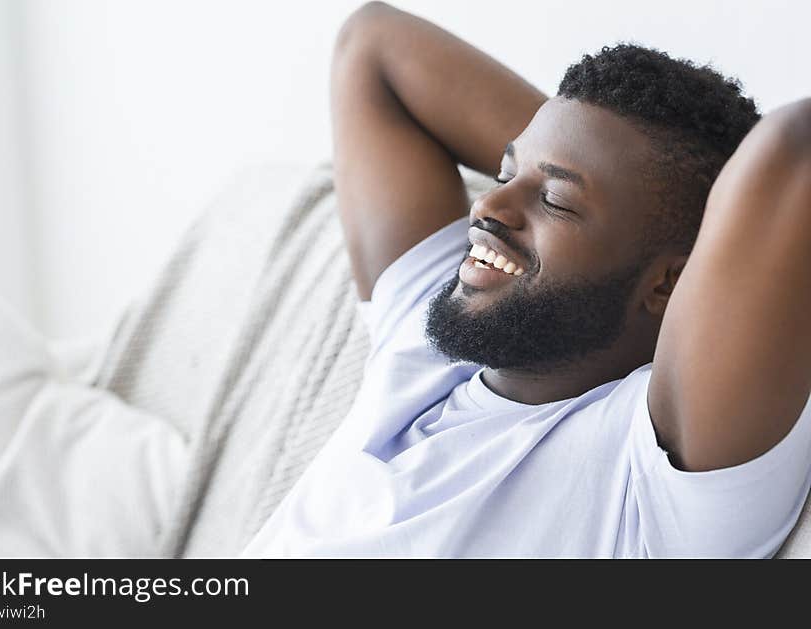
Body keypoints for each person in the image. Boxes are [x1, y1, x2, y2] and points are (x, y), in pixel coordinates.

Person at [239, 3, 811, 558]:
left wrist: (659, 191)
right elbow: (373, 41)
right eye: (507, 171)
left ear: (669, 285)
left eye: (556, 201)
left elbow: (791, 156)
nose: (487, 205)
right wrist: (594, 156)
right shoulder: (427, 335)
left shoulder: (653, 473)